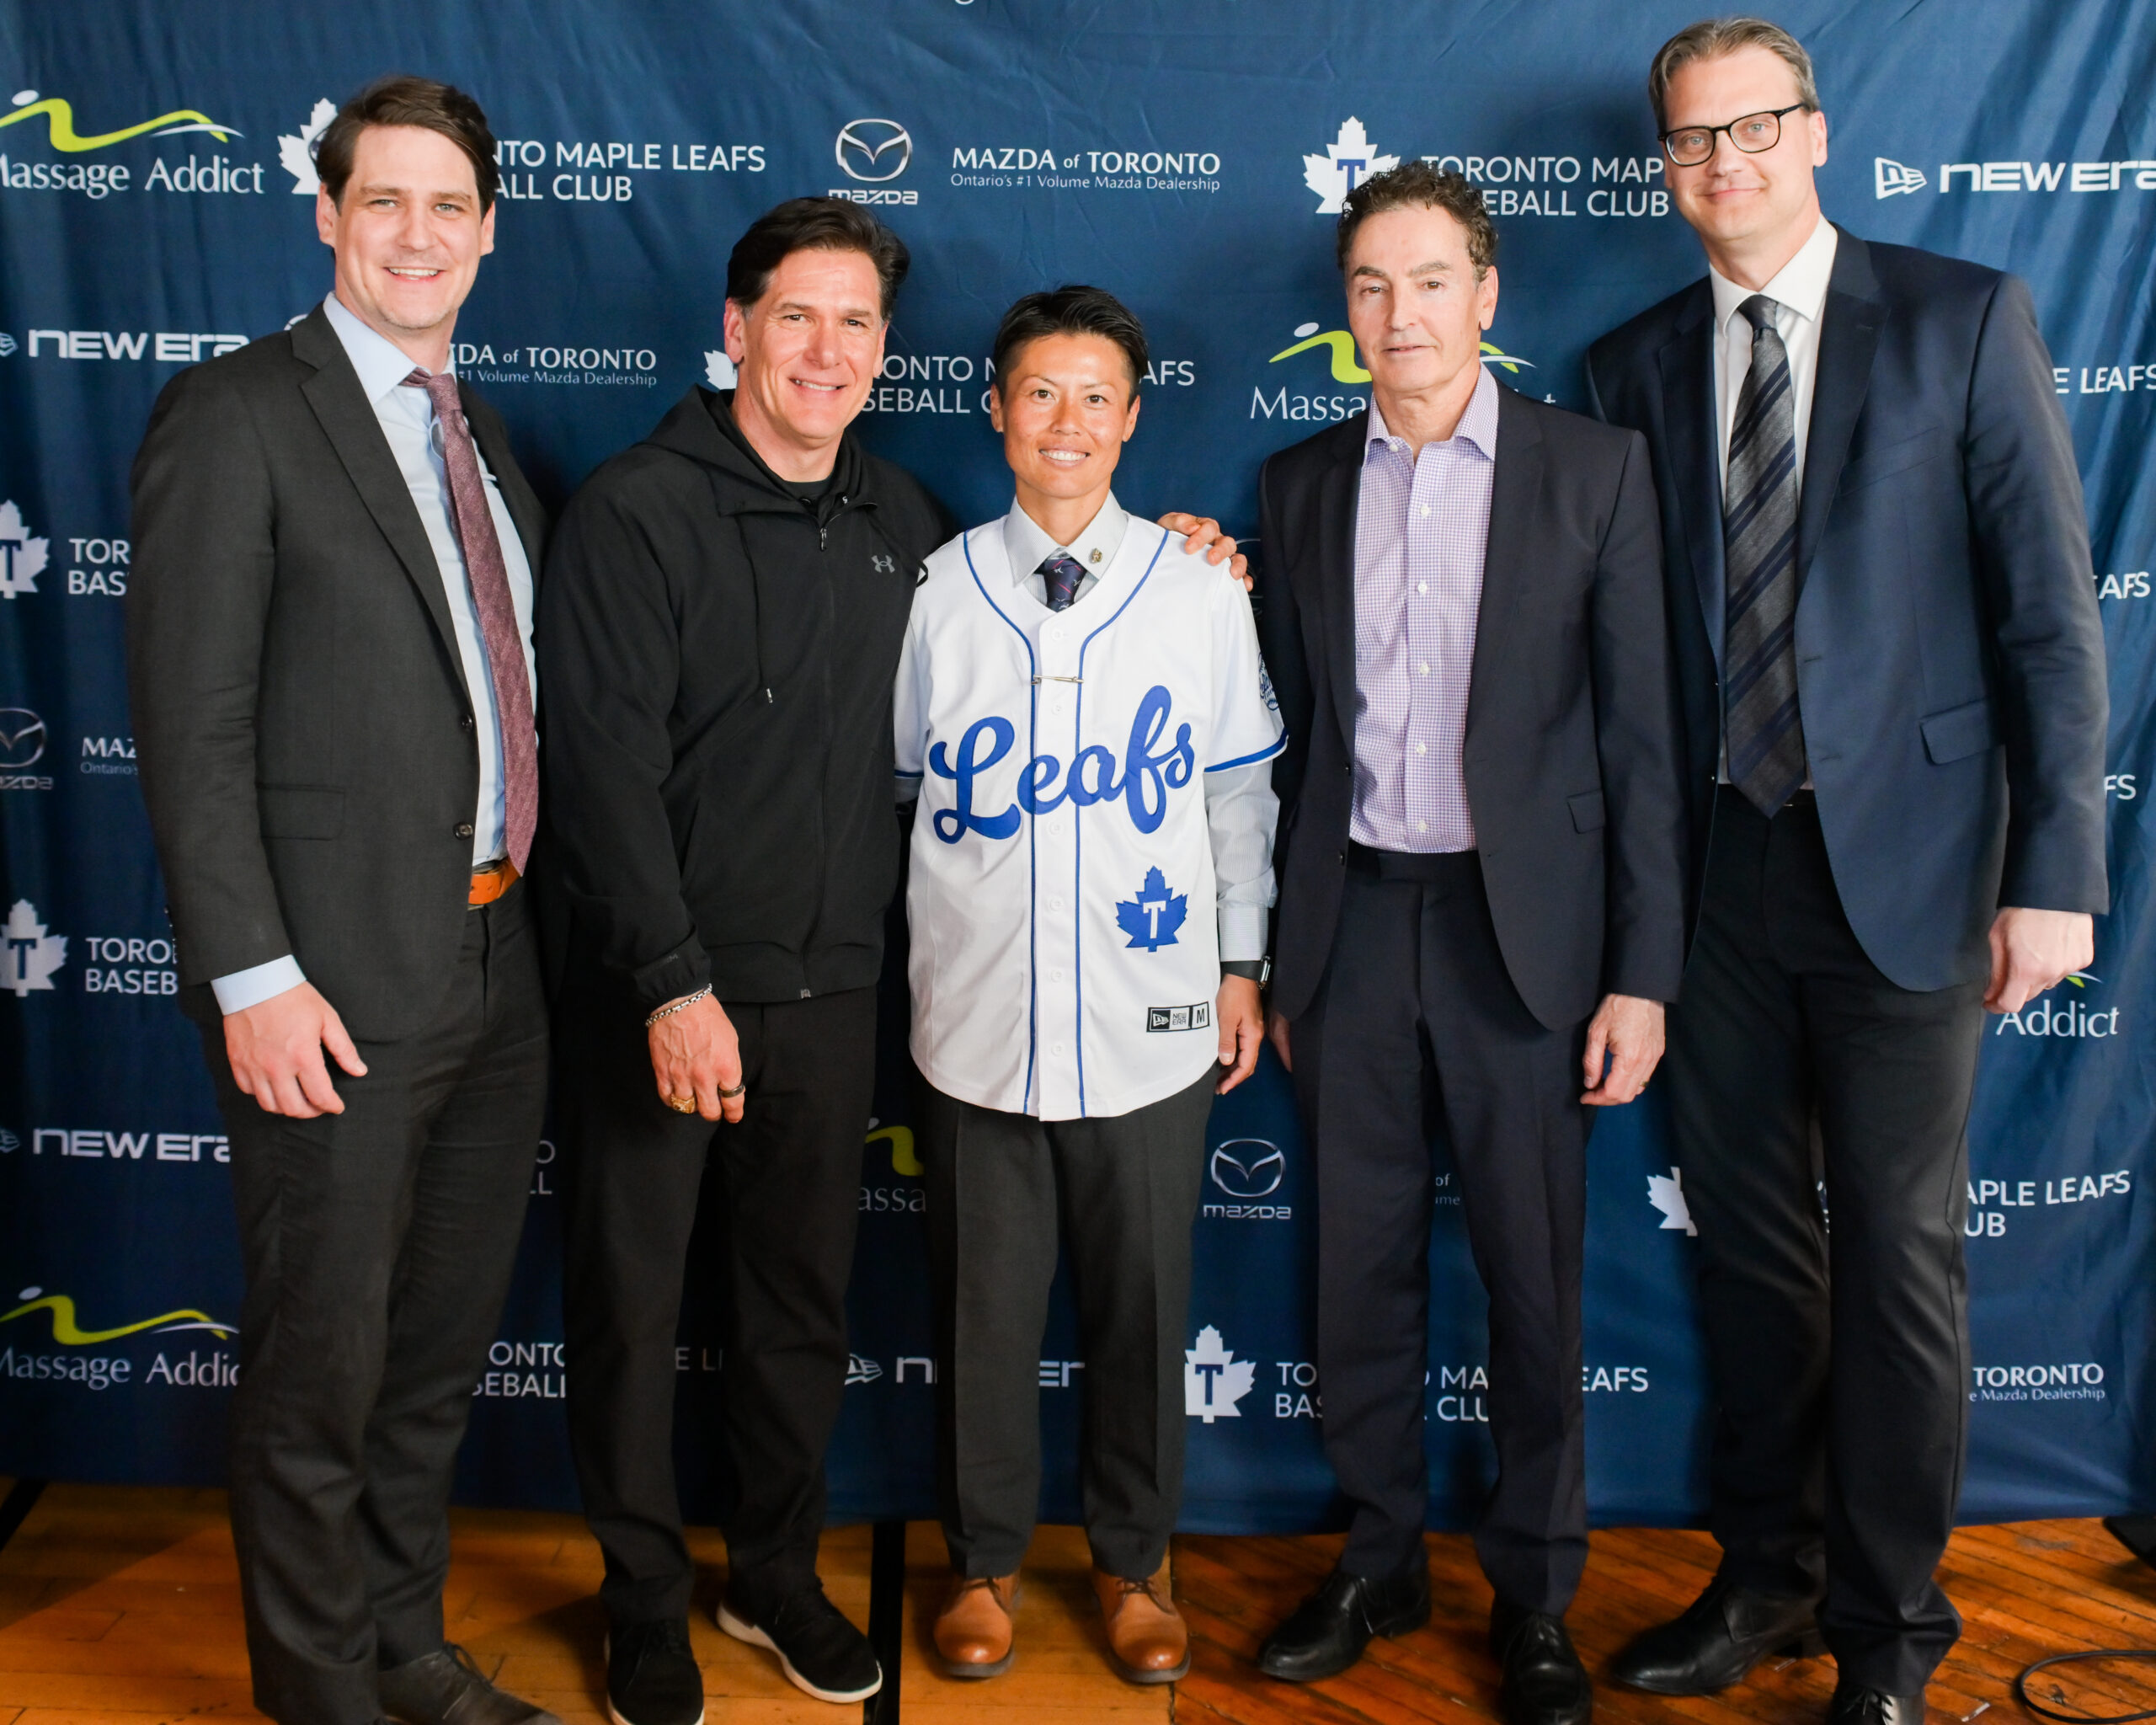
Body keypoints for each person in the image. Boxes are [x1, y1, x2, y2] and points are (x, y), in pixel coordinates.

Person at [537, 199, 1250, 1725]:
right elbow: (592, 770)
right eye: (798, 316)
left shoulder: (903, 526)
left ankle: (774, 1574)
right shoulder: (642, 511)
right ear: (737, 329)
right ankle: (647, 1601)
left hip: (837, 999)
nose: (828, 348)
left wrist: (1200, 548)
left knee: (797, 1308)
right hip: (669, 992)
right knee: (634, 1305)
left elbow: (1171, 745)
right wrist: (668, 979)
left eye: (857, 323)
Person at [1585, 19, 2109, 1724]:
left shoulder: (1958, 318)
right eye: (1686, 143)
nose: (1719, 165)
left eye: (1749, 130)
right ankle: (1766, 1575)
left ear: (1815, 134)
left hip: (1910, 870)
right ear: (1661, 170)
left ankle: (1890, 1638)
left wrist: (2054, 870)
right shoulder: (1631, 365)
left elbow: (2045, 615)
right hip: (1714, 880)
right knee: (1746, 1257)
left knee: (1895, 1259)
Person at [128, 76, 555, 1725]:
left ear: (489, 228)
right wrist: (250, 975)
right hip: (330, 989)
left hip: (492, 953)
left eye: (450, 205)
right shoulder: (238, 414)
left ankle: (402, 1652)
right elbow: (192, 723)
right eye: (384, 200)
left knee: (431, 1360)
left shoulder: (482, 431)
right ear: (325, 213)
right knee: (321, 1371)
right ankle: (318, 1696)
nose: (418, 233)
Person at [1250, 160, 1685, 1725]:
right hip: (1355, 926)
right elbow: (1285, 741)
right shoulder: (1297, 486)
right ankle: (1380, 1558)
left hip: (1532, 942)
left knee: (1532, 1279)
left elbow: (1643, 743)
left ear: (1487, 299)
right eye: (1372, 285)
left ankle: (1539, 1595)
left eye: (1431, 280)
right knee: (1354, 1271)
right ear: (1345, 310)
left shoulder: (1593, 472)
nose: (1400, 313)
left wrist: (1643, 972)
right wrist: (1281, 953)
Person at [895, 286, 1282, 1687]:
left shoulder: (1197, 591)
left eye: (1096, 396)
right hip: (976, 1015)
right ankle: (983, 1560)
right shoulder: (935, 590)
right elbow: (895, 790)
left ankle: (1135, 1561)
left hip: (1154, 1011)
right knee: (980, 1312)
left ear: (1133, 414)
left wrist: (1242, 962)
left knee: (1143, 1306)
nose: (1067, 422)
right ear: (996, 410)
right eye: (1040, 393)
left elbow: (1241, 797)